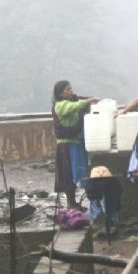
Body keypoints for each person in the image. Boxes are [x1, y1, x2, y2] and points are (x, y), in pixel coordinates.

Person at [52, 80, 98, 209]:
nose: (71, 91)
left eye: (71, 88)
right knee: (68, 174)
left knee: (78, 172)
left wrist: (91, 100)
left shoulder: (73, 101)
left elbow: (78, 101)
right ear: (60, 93)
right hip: (66, 145)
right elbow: (74, 106)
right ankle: (71, 203)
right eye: (67, 89)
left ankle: (74, 203)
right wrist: (89, 101)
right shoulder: (60, 105)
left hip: (75, 142)